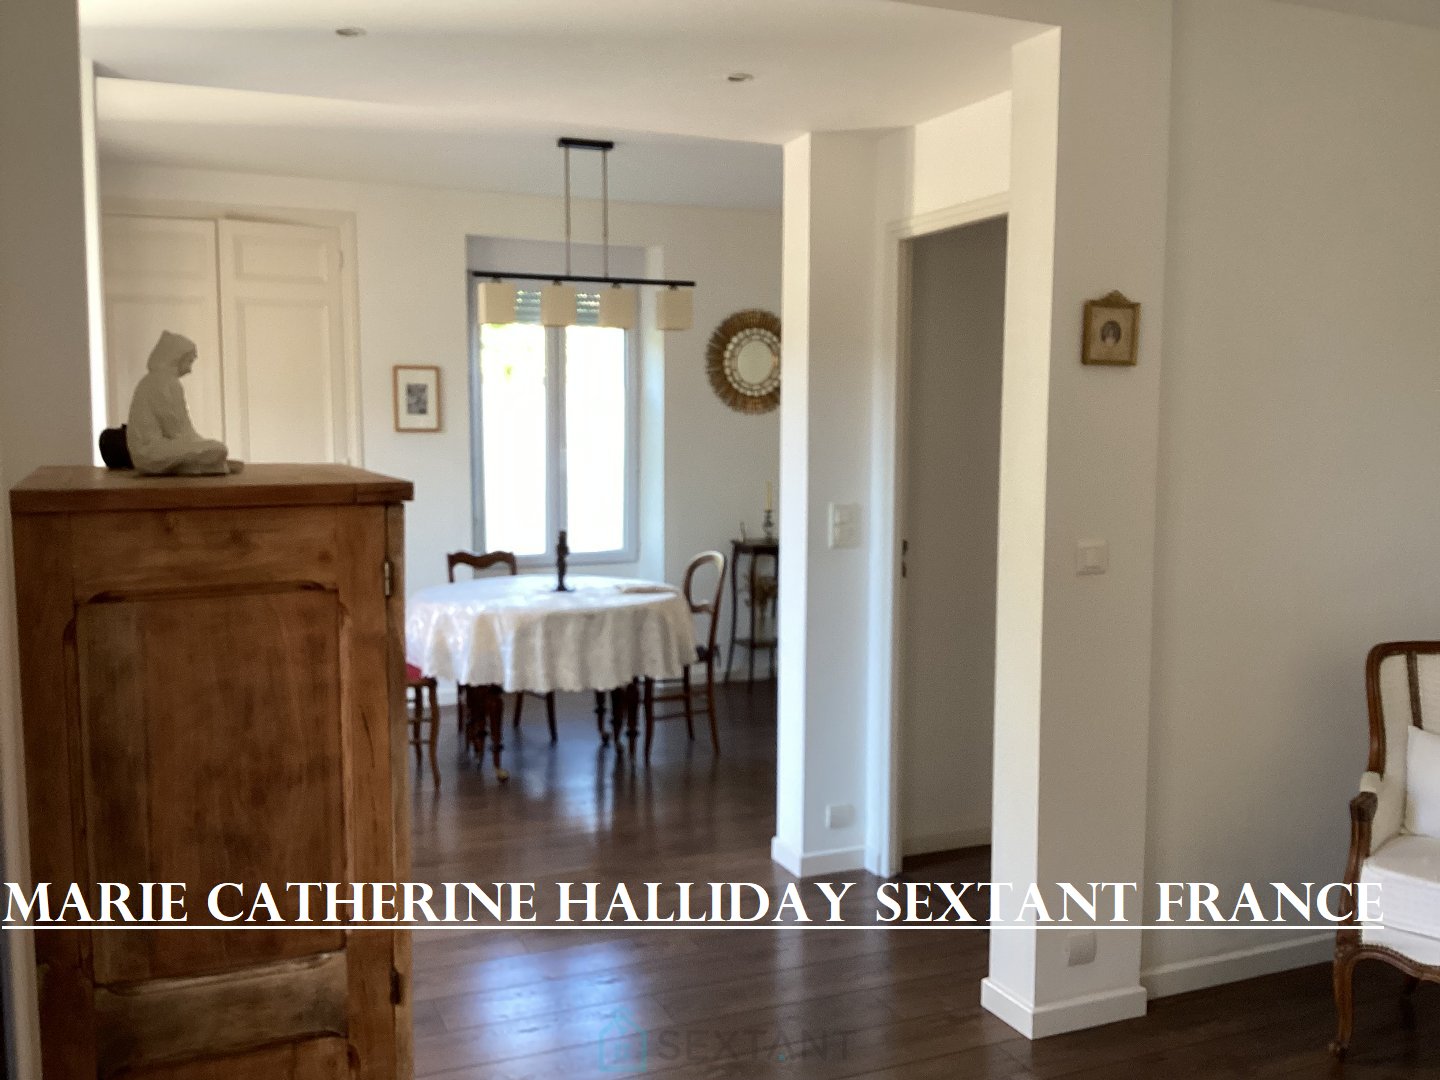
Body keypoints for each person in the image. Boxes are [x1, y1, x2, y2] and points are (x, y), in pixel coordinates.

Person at [126, 330, 239, 475]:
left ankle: (202, 464)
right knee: (219, 449)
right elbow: (177, 432)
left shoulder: (156, 380)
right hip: (150, 453)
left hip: (155, 449)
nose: (190, 369)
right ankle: (201, 465)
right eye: (189, 361)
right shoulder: (164, 382)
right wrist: (204, 448)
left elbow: (183, 432)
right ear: (176, 358)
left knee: (214, 449)